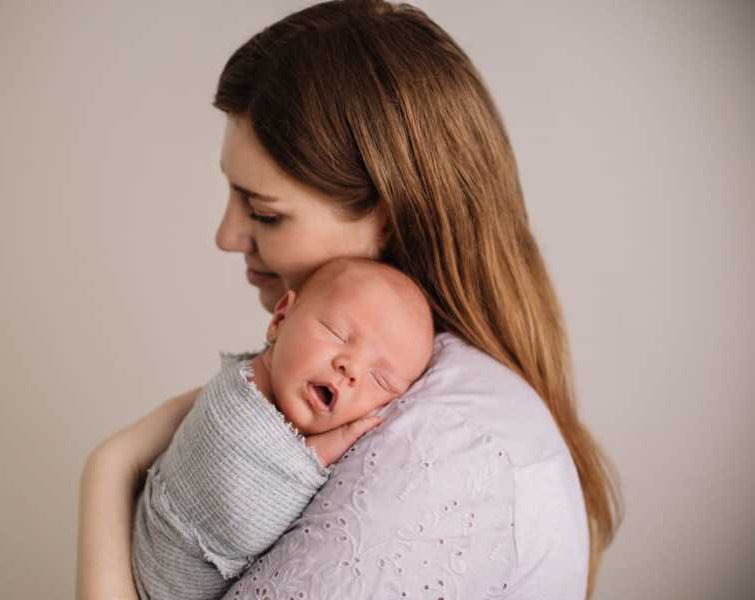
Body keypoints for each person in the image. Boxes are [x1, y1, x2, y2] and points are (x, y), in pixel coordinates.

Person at [76, 1, 624, 599]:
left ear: (389, 217)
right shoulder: (396, 403)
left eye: (264, 212)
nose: (227, 236)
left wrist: (111, 470)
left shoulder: (440, 448)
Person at [131, 257, 435, 600]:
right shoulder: (234, 400)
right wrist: (327, 447)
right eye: (338, 333)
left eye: (381, 379)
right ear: (279, 319)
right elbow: (238, 518)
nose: (350, 369)